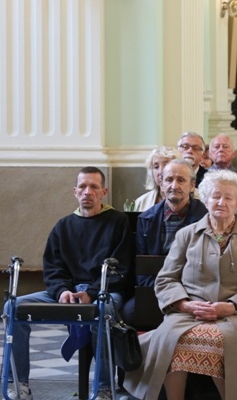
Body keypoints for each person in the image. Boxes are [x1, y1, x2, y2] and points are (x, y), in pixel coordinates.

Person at [123, 170, 237, 400]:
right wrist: (186, 305)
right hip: (188, 314)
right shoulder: (187, 234)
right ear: (205, 199)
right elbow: (166, 278)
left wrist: (230, 307)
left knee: (221, 340)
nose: (221, 202)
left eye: (228, 197)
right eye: (215, 196)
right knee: (170, 338)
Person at [3, 167, 133, 400]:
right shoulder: (63, 226)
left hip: (104, 291)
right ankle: (18, 383)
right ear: (75, 191)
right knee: (12, 307)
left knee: (104, 312)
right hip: (67, 291)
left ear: (103, 192)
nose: (87, 192)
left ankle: (103, 389)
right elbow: (53, 268)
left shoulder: (118, 222)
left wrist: (91, 293)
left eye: (94, 187)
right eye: (82, 186)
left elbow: (120, 268)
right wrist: (62, 291)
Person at [122, 159, 208, 324]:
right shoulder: (146, 219)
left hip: (194, 291)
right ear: (161, 184)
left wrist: (181, 296)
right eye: (169, 179)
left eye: (181, 180)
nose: (174, 185)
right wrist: (168, 293)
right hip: (157, 288)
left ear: (192, 186)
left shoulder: (205, 218)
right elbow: (141, 269)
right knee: (129, 313)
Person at [134, 146, 180, 212]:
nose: (160, 171)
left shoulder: (197, 198)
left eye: (166, 165)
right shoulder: (141, 202)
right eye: (156, 167)